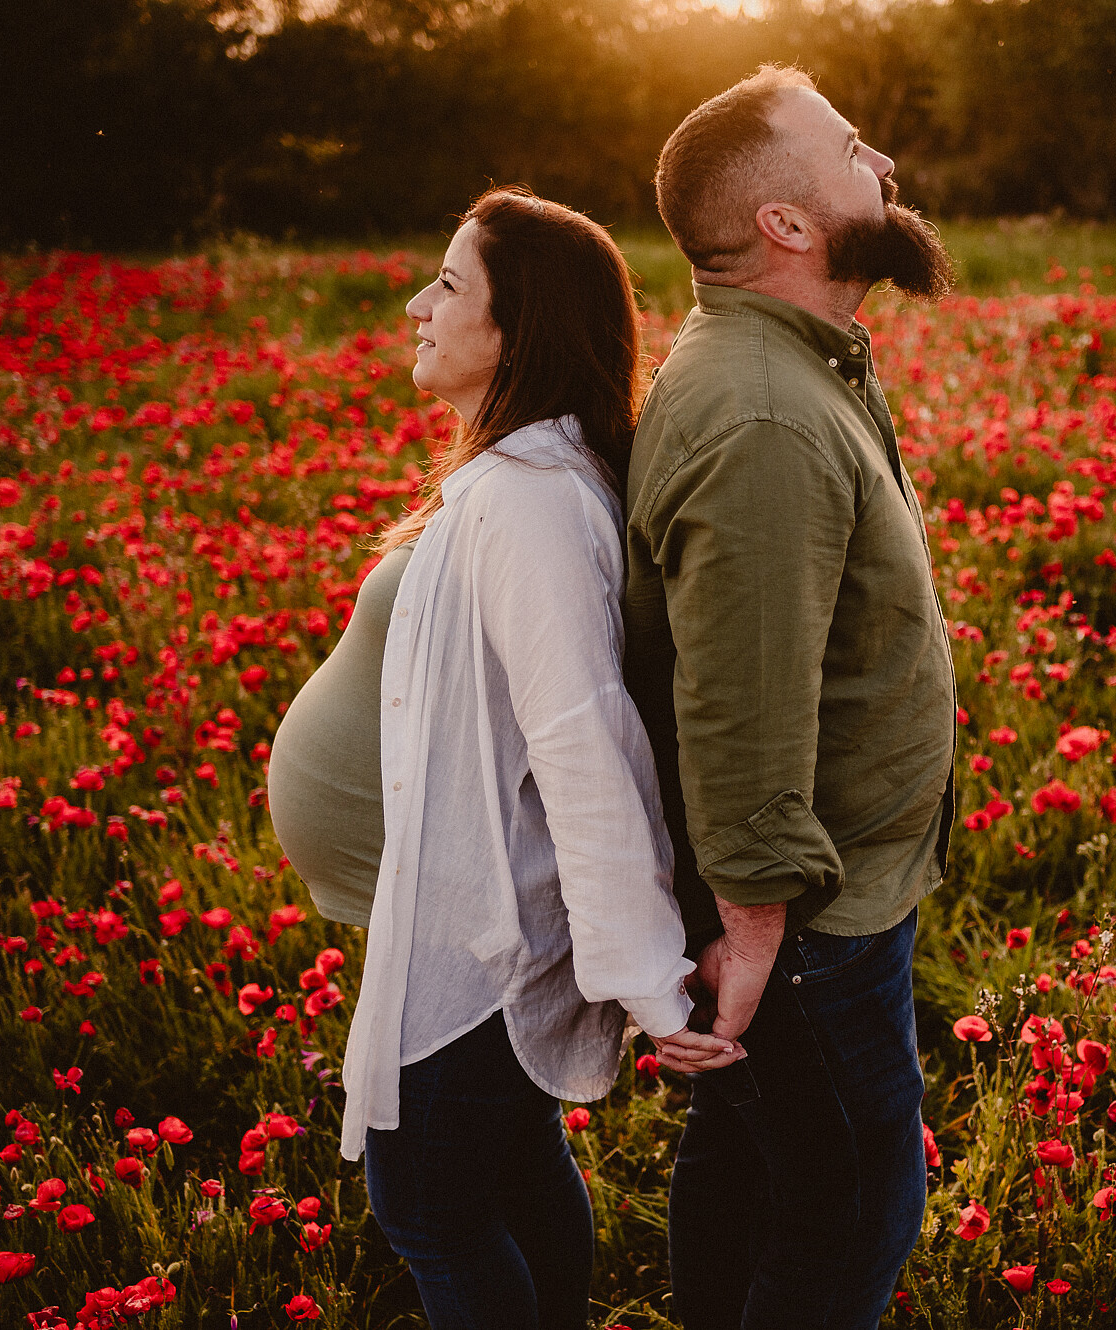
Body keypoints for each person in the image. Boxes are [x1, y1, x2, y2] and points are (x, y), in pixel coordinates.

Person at [266, 185, 741, 1330]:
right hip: (466, 905)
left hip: (483, 930)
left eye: (448, 284)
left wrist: (643, 972)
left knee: (427, 1197)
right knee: (506, 1168)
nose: (418, 306)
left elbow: (583, 740)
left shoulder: (528, 502)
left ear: (513, 329)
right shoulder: (519, 476)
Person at [624, 67, 959, 1330]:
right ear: (782, 224)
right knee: (851, 1212)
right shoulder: (764, 408)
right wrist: (754, 927)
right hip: (811, 921)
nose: (879, 164)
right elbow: (741, 696)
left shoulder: (790, 363)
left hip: (824, 897)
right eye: (849, 148)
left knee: (755, 1168)